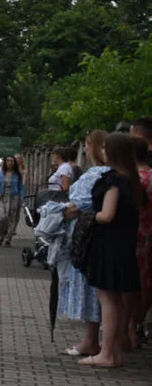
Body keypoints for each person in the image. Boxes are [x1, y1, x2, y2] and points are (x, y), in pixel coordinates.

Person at [77, 132, 143, 368]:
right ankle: (114, 351)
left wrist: (88, 216)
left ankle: (106, 353)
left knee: (108, 301)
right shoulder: (131, 179)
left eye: (105, 147)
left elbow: (107, 215)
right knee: (117, 301)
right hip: (124, 246)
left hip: (109, 246)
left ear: (114, 152)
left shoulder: (114, 181)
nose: (102, 150)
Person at [58, 130, 110, 358]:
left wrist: (63, 213)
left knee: (92, 291)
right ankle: (99, 341)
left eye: (88, 145)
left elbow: (81, 203)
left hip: (89, 237)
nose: (86, 150)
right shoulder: (104, 173)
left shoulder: (101, 173)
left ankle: (92, 342)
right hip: (90, 235)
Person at [129, 137, 151, 348]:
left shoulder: (132, 179)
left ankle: (128, 331)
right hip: (148, 234)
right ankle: (137, 325)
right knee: (146, 283)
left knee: (129, 285)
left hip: (132, 235)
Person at [0, 156, 24, 247]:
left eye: (12, 161)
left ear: (14, 163)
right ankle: (1, 236)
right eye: (8, 161)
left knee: (12, 219)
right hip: (2, 198)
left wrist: (22, 199)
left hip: (14, 198)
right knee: (2, 218)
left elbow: (21, 188)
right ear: (5, 162)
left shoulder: (18, 174)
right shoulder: (0, 174)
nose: (10, 162)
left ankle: (8, 239)